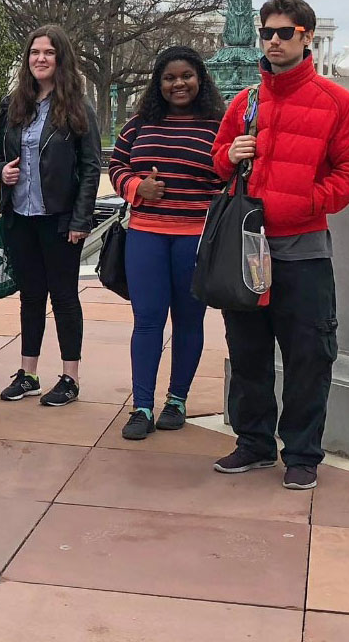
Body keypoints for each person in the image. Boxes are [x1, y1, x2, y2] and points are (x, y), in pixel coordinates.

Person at [211, 0, 349, 490]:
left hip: (302, 249)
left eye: (285, 33)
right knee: (248, 351)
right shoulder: (245, 101)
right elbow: (218, 162)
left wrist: (309, 200)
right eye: (268, 32)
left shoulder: (335, 102)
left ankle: (302, 453)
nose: (274, 41)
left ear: (306, 37)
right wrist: (230, 153)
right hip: (247, 249)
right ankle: (254, 443)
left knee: (308, 354)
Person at [108, 46, 226, 439]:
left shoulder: (217, 124)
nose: (179, 84)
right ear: (159, 84)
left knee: (189, 321)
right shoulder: (140, 123)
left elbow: (229, 173)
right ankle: (141, 405)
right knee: (147, 321)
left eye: (187, 76)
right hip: (146, 235)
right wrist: (138, 186)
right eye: (170, 78)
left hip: (194, 239)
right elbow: (116, 165)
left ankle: (177, 399)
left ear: (200, 79)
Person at [0, 26, 101, 407]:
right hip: (21, 215)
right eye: (34, 52)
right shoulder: (14, 105)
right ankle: (29, 373)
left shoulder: (77, 109)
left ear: (61, 59)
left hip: (59, 218)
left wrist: (80, 219)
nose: (40, 59)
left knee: (65, 297)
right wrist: (1, 171)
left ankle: (70, 377)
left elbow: (90, 167)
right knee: (30, 297)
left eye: (48, 53)